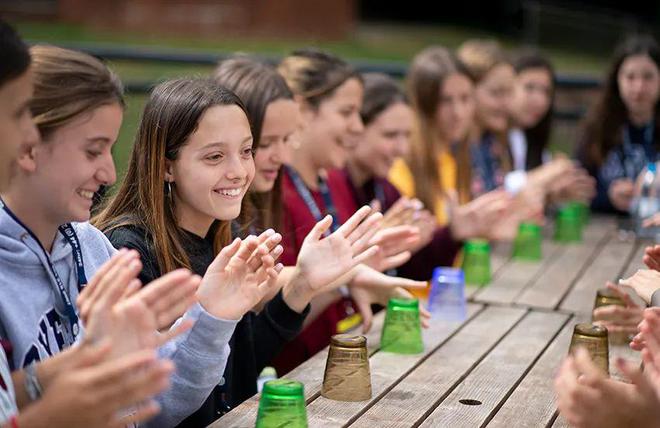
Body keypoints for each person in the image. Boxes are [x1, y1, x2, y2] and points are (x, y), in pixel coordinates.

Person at [0, 45, 273, 427]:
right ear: (27, 147)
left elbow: (154, 406)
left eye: (246, 151)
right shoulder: (128, 247)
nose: (109, 174)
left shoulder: (93, 249)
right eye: (93, 151)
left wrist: (213, 317)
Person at [578, 35, 660, 214]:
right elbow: (578, 190)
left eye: (648, 77)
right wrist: (608, 197)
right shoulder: (597, 126)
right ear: (617, 79)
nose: (639, 87)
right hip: (603, 232)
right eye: (630, 77)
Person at [508, 49, 595, 204]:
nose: (540, 100)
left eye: (546, 92)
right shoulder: (493, 138)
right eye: (529, 88)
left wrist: (557, 192)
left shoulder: (534, 143)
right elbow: (499, 189)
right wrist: (549, 173)